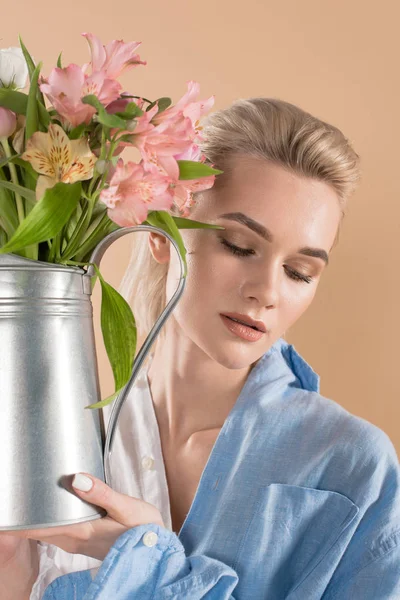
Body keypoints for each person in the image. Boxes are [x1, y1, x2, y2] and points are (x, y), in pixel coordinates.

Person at [1, 98, 399, 599]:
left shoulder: (348, 468)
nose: (268, 292)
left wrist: (148, 569)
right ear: (161, 234)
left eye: (300, 272)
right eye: (238, 244)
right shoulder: (69, 447)